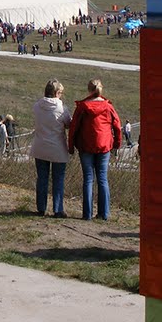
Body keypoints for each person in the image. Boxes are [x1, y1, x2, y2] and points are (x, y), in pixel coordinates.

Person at [68, 79, 122, 220]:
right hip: (104, 145)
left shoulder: (83, 106)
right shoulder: (108, 107)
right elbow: (117, 125)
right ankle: (104, 213)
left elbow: (73, 127)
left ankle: (87, 214)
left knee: (88, 179)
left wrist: (71, 145)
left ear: (89, 90)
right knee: (103, 179)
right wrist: (117, 143)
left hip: (86, 145)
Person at [29, 79, 71, 217]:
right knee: (58, 179)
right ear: (57, 93)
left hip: (40, 145)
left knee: (42, 178)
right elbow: (68, 124)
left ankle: (41, 207)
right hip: (57, 147)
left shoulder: (37, 106)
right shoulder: (62, 109)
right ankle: (58, 209)